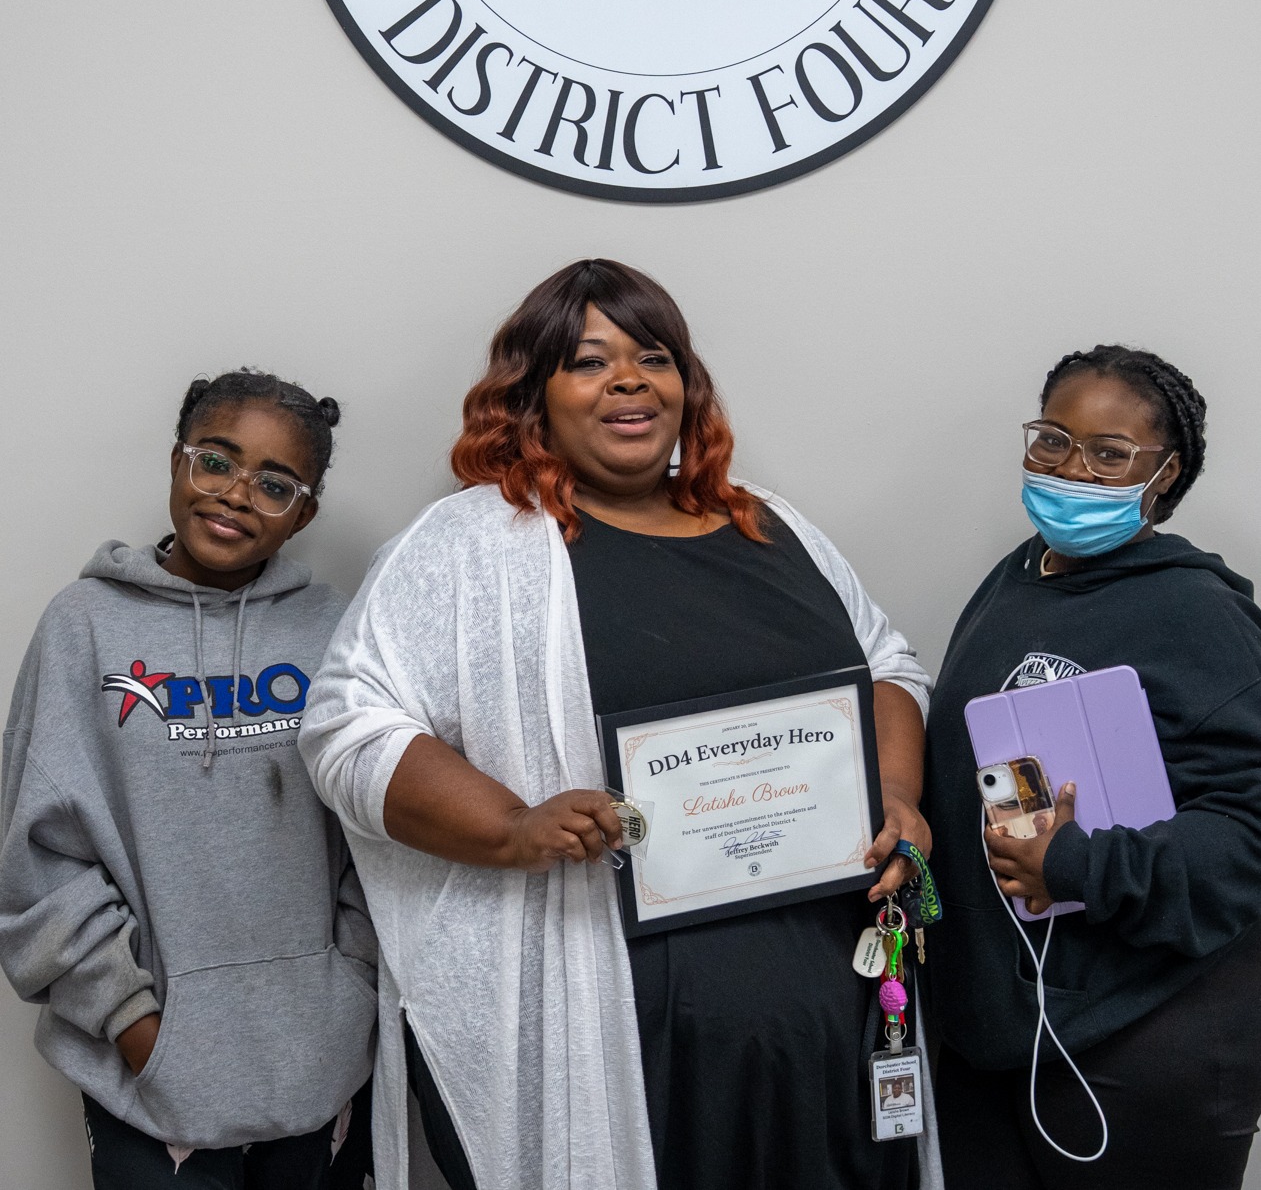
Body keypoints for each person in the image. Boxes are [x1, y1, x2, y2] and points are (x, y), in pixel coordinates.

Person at [300, 259, 932, 1190]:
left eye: (652, 357)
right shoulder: (471, 545)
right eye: (589, 361)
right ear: (533, 396)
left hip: (831, 1013)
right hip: (612, 1029)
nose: (628, 380)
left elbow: (887, 666)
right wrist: (511, 826)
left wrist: (901, 797)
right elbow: (348, 728)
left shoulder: (771, 525)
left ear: (686, 384)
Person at [0, 370, 378, 1189]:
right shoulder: (84, 625)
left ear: (304, 513)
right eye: (216, 461)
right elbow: (39, 853)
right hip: (146, 1077)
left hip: (323, 1062)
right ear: (178, 462)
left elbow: (376, 828)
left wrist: (349, 993)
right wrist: (136, 1026)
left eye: (274, 484)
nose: (237, 493)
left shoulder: (337, 631)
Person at [922, 345, 1261, 1190]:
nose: (1070, 468)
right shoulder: (1015, 578)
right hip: (996, 1029)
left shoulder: (1201, 614)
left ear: (1164, 472)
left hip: (1137, 1037)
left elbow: (1246, 835)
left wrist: (1077, 864)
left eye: (1109, 453)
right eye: (1051, 439)